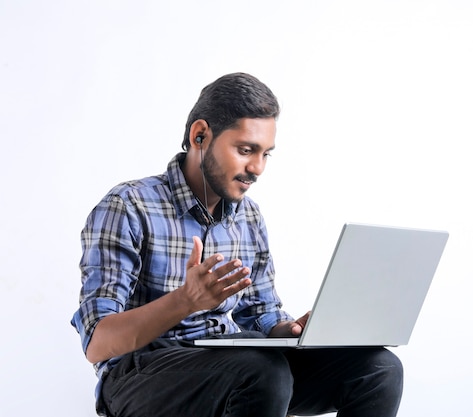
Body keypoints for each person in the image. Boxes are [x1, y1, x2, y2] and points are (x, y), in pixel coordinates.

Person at [71, 72, 403, 417]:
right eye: (246, 150)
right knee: (262, 371)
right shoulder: (128, 205)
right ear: (200, 135)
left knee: (378, 369)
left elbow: (261, 313)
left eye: (265, 154)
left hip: (231, 363)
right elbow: (98, 343)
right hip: (138, 374)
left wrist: (292, 330)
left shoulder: (249, 217)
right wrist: (184, 301)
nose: (257, 168)